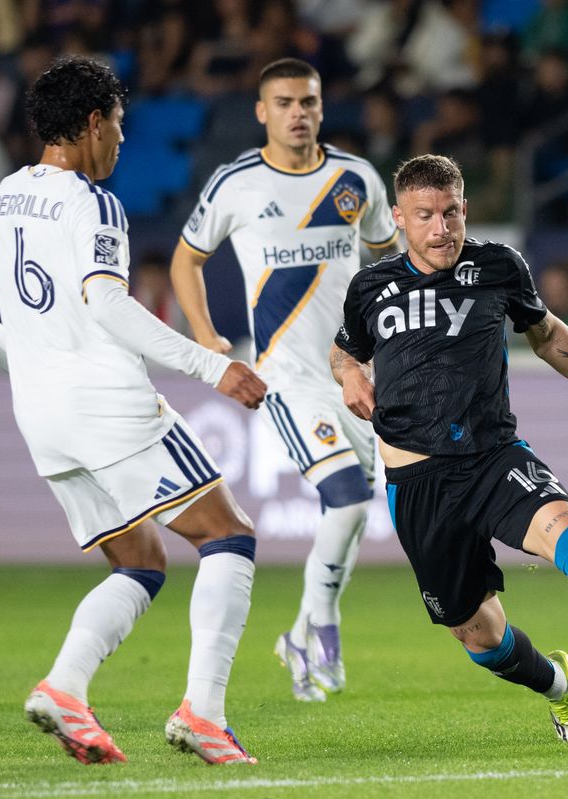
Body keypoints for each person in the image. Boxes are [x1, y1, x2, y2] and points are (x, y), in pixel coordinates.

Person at [329, 153, 568, 743]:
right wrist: (349, 375)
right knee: (479, 636)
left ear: (465, 209)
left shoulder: (499, 267)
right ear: (399, 218)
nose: (441, 229)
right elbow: (343, 351)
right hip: (417, 484)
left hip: (494, 458)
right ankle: (558, 689)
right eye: (425, 216)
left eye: (451, 213)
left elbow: (546, 333)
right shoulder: (370, 287)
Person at [0, 56, 268, 767]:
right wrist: (213, 365)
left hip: (41, 417)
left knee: (140, 559)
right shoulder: (93, 204)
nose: (121, 142)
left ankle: (65, 687)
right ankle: (204, 714)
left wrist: (36, 358)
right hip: (107, 405)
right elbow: (109, 304)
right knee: (229, 535)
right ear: (92, 124)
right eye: (118, 126)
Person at [171, 57, 400, 704]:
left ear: (322, 107)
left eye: (308, 101)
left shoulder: (356, 179)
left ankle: (299, 633)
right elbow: (187, 258)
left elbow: (387, 260)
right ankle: (321, 623)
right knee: (351, 501)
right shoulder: (236, 182)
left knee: (350, 516)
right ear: (262, 111)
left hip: (354, 374)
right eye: (285, 102)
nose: (298, 112)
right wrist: (205, 332)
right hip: (286, 377)